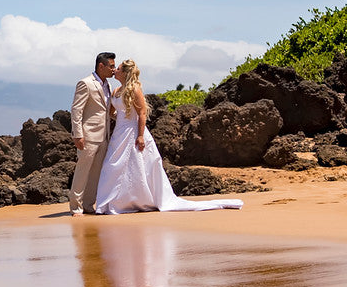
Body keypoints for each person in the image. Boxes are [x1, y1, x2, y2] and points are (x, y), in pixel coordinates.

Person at [95, 59, 244, 214]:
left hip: (133, 132)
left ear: (125, 73)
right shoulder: (115, 91)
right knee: (113, 167)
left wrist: (140, 136)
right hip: (119, 133)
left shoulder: (134, 90)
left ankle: (137, 200)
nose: (114, 71)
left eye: (117, 68)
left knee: (136, 166)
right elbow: (112, 112)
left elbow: (142, 113)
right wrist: (119, 121)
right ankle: (115, 201)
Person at [70, 52, 117, 215]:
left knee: (96, 174)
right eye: (111, 66)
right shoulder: (85, 83)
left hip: (104, 136)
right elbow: (77, 110)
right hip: (88, 136)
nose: (114, 69)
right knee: (82, 172)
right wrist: (78, 135)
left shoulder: (108, 86)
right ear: (101, 66)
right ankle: (76, 206)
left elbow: (107, 111)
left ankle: (89, 206)